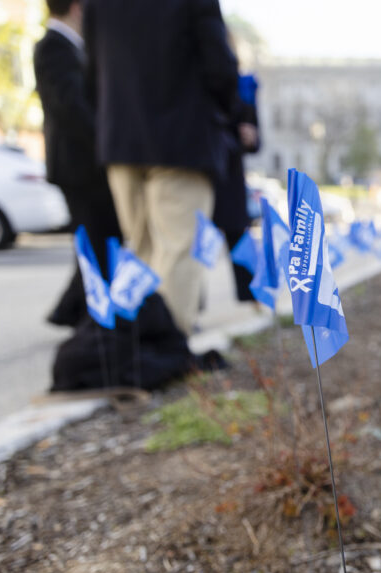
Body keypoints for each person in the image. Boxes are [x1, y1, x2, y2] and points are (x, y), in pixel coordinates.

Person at [83, 0, 240, 335]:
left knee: (139, 249)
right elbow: (220, 66)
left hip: (121, 139)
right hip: (181, 139)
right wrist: (230, 112)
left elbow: (92, 71)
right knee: (179, 249)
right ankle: (165, 354)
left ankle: (139, 354)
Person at [34, 0, 122, 327]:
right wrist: (107, 143)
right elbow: (71, 107)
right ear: (77, 8)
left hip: (85, 164)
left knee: (96, 238)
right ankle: (84, 315)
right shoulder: (53, 47)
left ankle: (74, 310)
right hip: (77, 165)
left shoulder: (70, 47)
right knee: (94, 239)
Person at [213, 70, 260, 303]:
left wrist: (252, 137)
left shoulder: (244, 88)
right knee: (191, 242)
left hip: (230, 172)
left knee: (238, 235)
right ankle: (189, 307)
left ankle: (250, 295)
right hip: (201, 168)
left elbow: (255, 136)